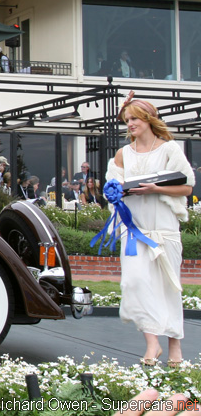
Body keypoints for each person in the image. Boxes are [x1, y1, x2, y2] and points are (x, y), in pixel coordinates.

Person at [109, 91, 194, 366]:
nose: (130, 124)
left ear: (148, 119)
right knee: (134, 283)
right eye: (127, 119)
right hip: (135, 231)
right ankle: (152, 343)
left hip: (164, 228)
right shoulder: (123, 154)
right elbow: (114, 189)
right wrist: (114, 193)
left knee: (168, 286)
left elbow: (187, 186)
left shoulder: (169, 149)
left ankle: (175, 346)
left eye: (134, 118)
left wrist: (156, 188)